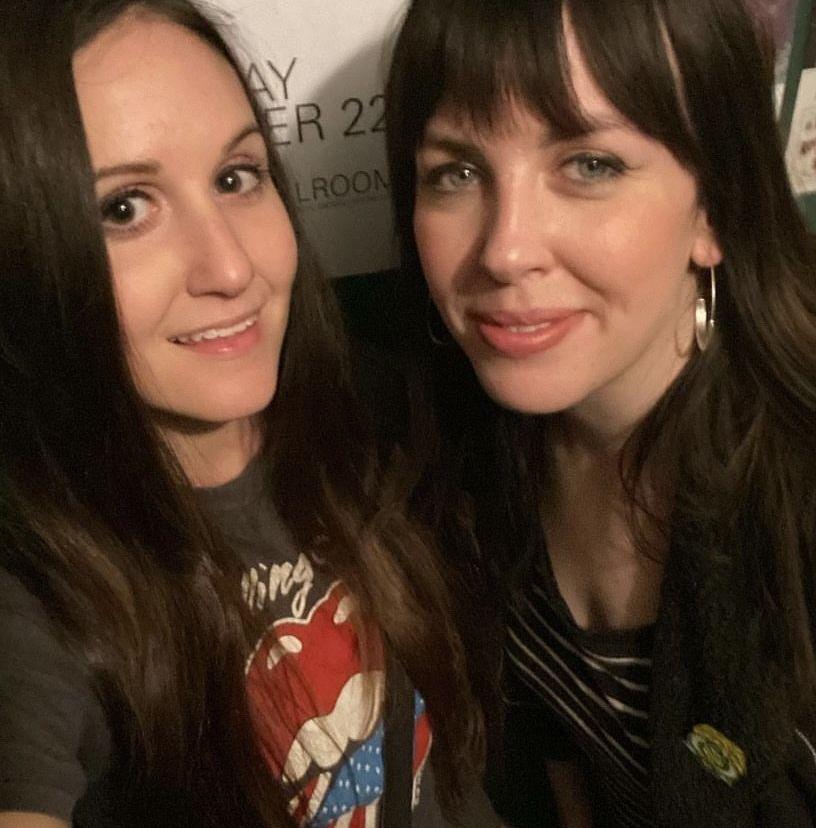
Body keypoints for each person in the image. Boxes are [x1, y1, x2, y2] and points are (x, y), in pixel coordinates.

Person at [0, 1, 500, 826]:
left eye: (237, 178)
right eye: (124, 208)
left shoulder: (376, 422)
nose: (231, 268)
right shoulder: (35, 591)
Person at [382, 0, 816, 825]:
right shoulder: (464, 442)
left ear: (715, 207)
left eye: (589, 165)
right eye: (458, 173)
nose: (505, 250)